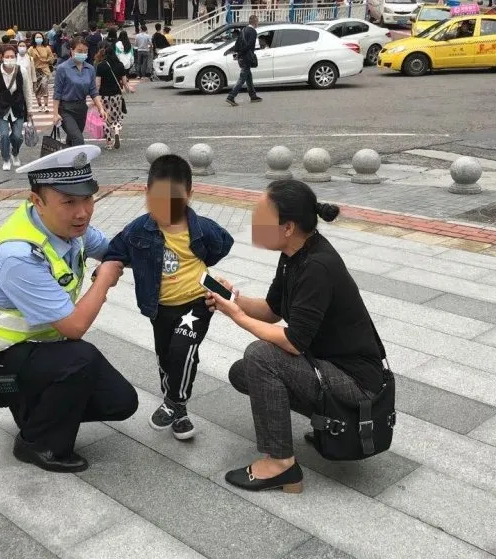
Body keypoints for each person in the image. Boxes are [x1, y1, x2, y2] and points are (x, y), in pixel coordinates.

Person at [0, 144, 138, 473]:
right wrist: (105, 278)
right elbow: (74, 327)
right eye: (69, 202)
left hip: (34, 350)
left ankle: (35, 409)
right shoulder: (20, 256)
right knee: (82, 357)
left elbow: (114, 249)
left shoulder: (67, 228)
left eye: (87, 198)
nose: (82, 212)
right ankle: (37, 443)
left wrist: (167, 248)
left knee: (121, 401)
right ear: (37, 201)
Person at [207, 180, 386, 493]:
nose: (253, 225)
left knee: (260, 357)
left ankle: (281, 465)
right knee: (244, 373)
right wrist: (233, 300)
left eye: (261, 218)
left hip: (358, 382)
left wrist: (237, 317)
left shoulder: (318, 265)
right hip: (325, 365)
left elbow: (292, 341)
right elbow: (272, 310)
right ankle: (329, 424)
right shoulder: (294, 254)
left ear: (287, 227)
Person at [103, 155, 234, 439]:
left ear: (189, 195)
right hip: (160, 307)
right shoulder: (140, 228)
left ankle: (174, 402)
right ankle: (179, 409)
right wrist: (106, 271)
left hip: (197, 303)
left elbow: (223, 244)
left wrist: (204, 269)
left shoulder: (202, 228)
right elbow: (116, 250)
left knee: (183, 350)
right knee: (166, 355)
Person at [53, 39, 108, 147]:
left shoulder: (90, 68)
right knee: (78, 139)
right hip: (66, 109)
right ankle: (82, 163)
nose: (82, 54)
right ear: (71, 50)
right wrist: (55, 113)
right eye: (79, 51)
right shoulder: (62, 68)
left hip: (82, 108)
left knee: (72, 138)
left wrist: (100, 108)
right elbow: (57, 93)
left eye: (85, 51)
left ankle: (69, 162)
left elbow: (93, 91)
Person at [0, 45, 29, 170]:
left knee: (17, 136)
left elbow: (27, 92)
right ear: (2, 58)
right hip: (1, 108)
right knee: (3, 135)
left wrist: (29, 110)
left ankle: (15, 153)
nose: (9, 59)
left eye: (12, 56)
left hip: (17, 107)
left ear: (16, 57)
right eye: (7, 56)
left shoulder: (22, 71)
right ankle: (6, 158)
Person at [94, 41, 133, 150]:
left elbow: (97, 84)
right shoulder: (120, 65)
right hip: (116, 95)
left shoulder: (101, 66)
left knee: (105, 117)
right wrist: (129, 89)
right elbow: (125, 83)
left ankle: (109, 142)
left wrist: (95, 97)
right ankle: (116, 132)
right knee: (116, 116)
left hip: (104, 96)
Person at [226, 15, 262, 106]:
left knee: (248, 76)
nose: (258, 23)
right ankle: (231, 96)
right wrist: (240, 54)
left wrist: (236, 53)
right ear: (255, 22)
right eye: (258, 21)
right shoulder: (253, 31)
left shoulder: (243, 30)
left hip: (242, 58)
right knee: (242, 78)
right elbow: (250, 45)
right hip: (247, 57)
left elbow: (237, 44)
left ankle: (253, 96)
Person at [29, 32, 56, 113]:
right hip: (35, 71)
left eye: (40, 37)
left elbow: (52, 58)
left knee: (44, 86)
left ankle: (46, 106)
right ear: (34, 39)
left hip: (45, 70)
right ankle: (40, 106)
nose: (38, 39)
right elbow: (28, 59)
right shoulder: (31, 49)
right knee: (37, 89)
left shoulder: (47, 48)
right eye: (37, 37)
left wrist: (46, 60)